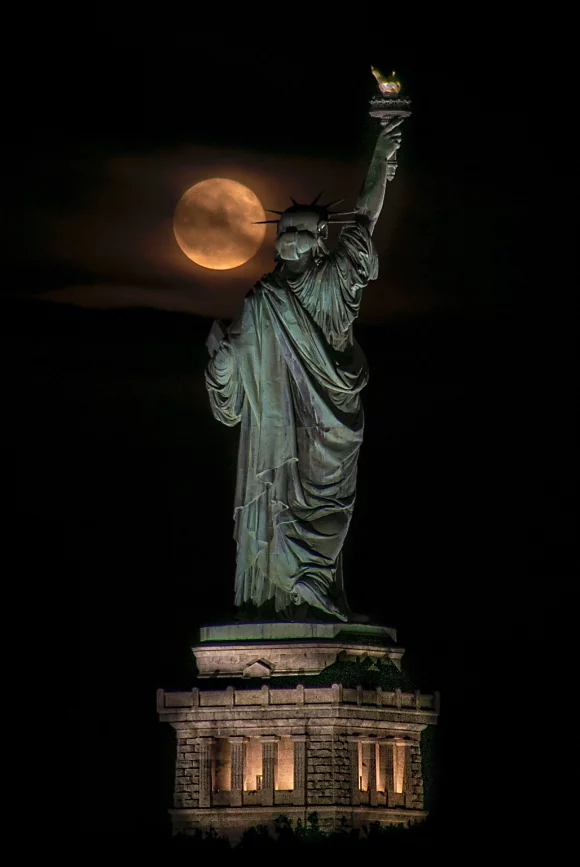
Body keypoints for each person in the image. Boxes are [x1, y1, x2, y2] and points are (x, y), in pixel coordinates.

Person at [205, 119, 403, 621]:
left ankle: (313, 589)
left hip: (328, 424)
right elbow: (232, 395)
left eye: (301, 232)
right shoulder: (259, 301)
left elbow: (364, 219)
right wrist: (222, 363)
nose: (291, 238)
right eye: (285, 231)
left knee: (327, 506)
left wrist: (381, 154)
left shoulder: (335, 284)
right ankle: (281, 597)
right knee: (278, 496)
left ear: (319, 240)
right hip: (275, 434)